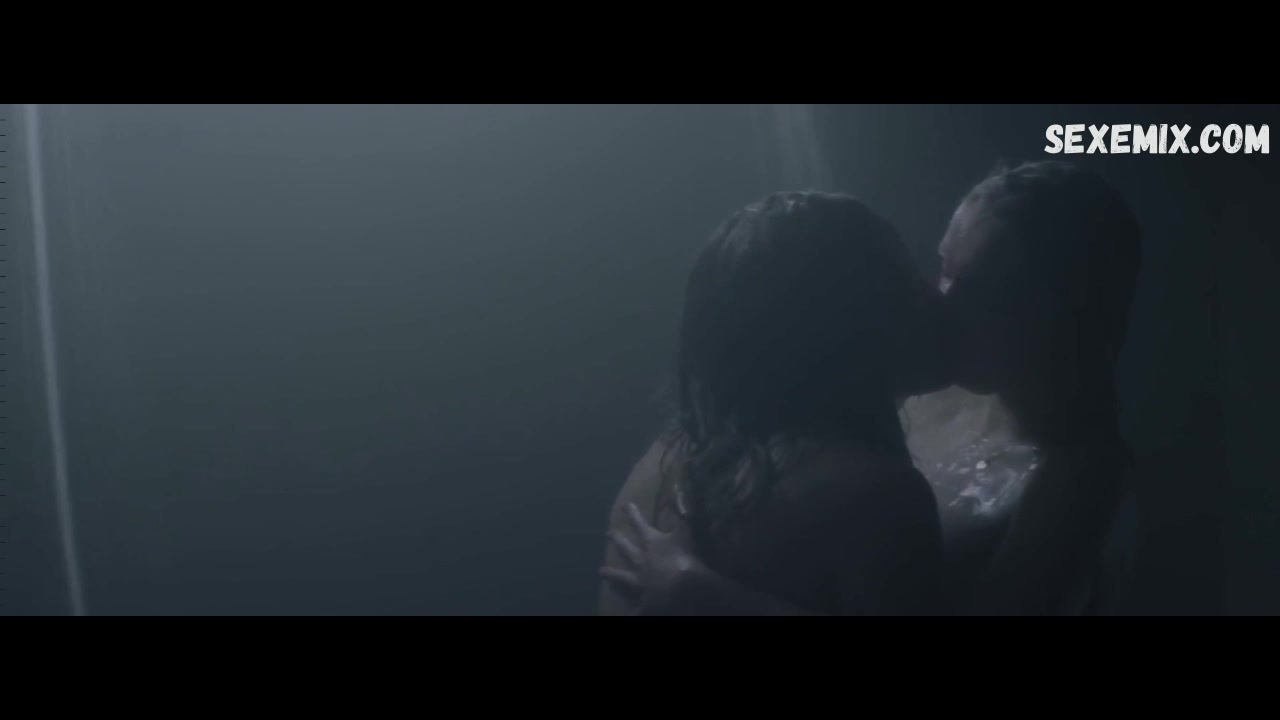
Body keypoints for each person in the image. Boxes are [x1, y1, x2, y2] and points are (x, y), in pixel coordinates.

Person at [602, 161, 1142, 616]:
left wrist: (704, 595)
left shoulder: (1078, 474)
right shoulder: (909, 393)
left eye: (987, 293)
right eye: (944, 268)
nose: (941, 300)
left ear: (1068, 318)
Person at [598, 191, 953, 616]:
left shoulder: (655, 472)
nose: (935, 297)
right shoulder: (881, 496)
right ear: (851, 320)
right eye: (905, 283)